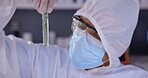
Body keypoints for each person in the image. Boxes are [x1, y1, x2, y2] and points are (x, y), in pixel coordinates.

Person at [0, 0, 148, 78]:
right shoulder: (51, 62)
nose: (79, 35)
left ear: (113, 44)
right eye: (79, 24)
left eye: (91, 32)